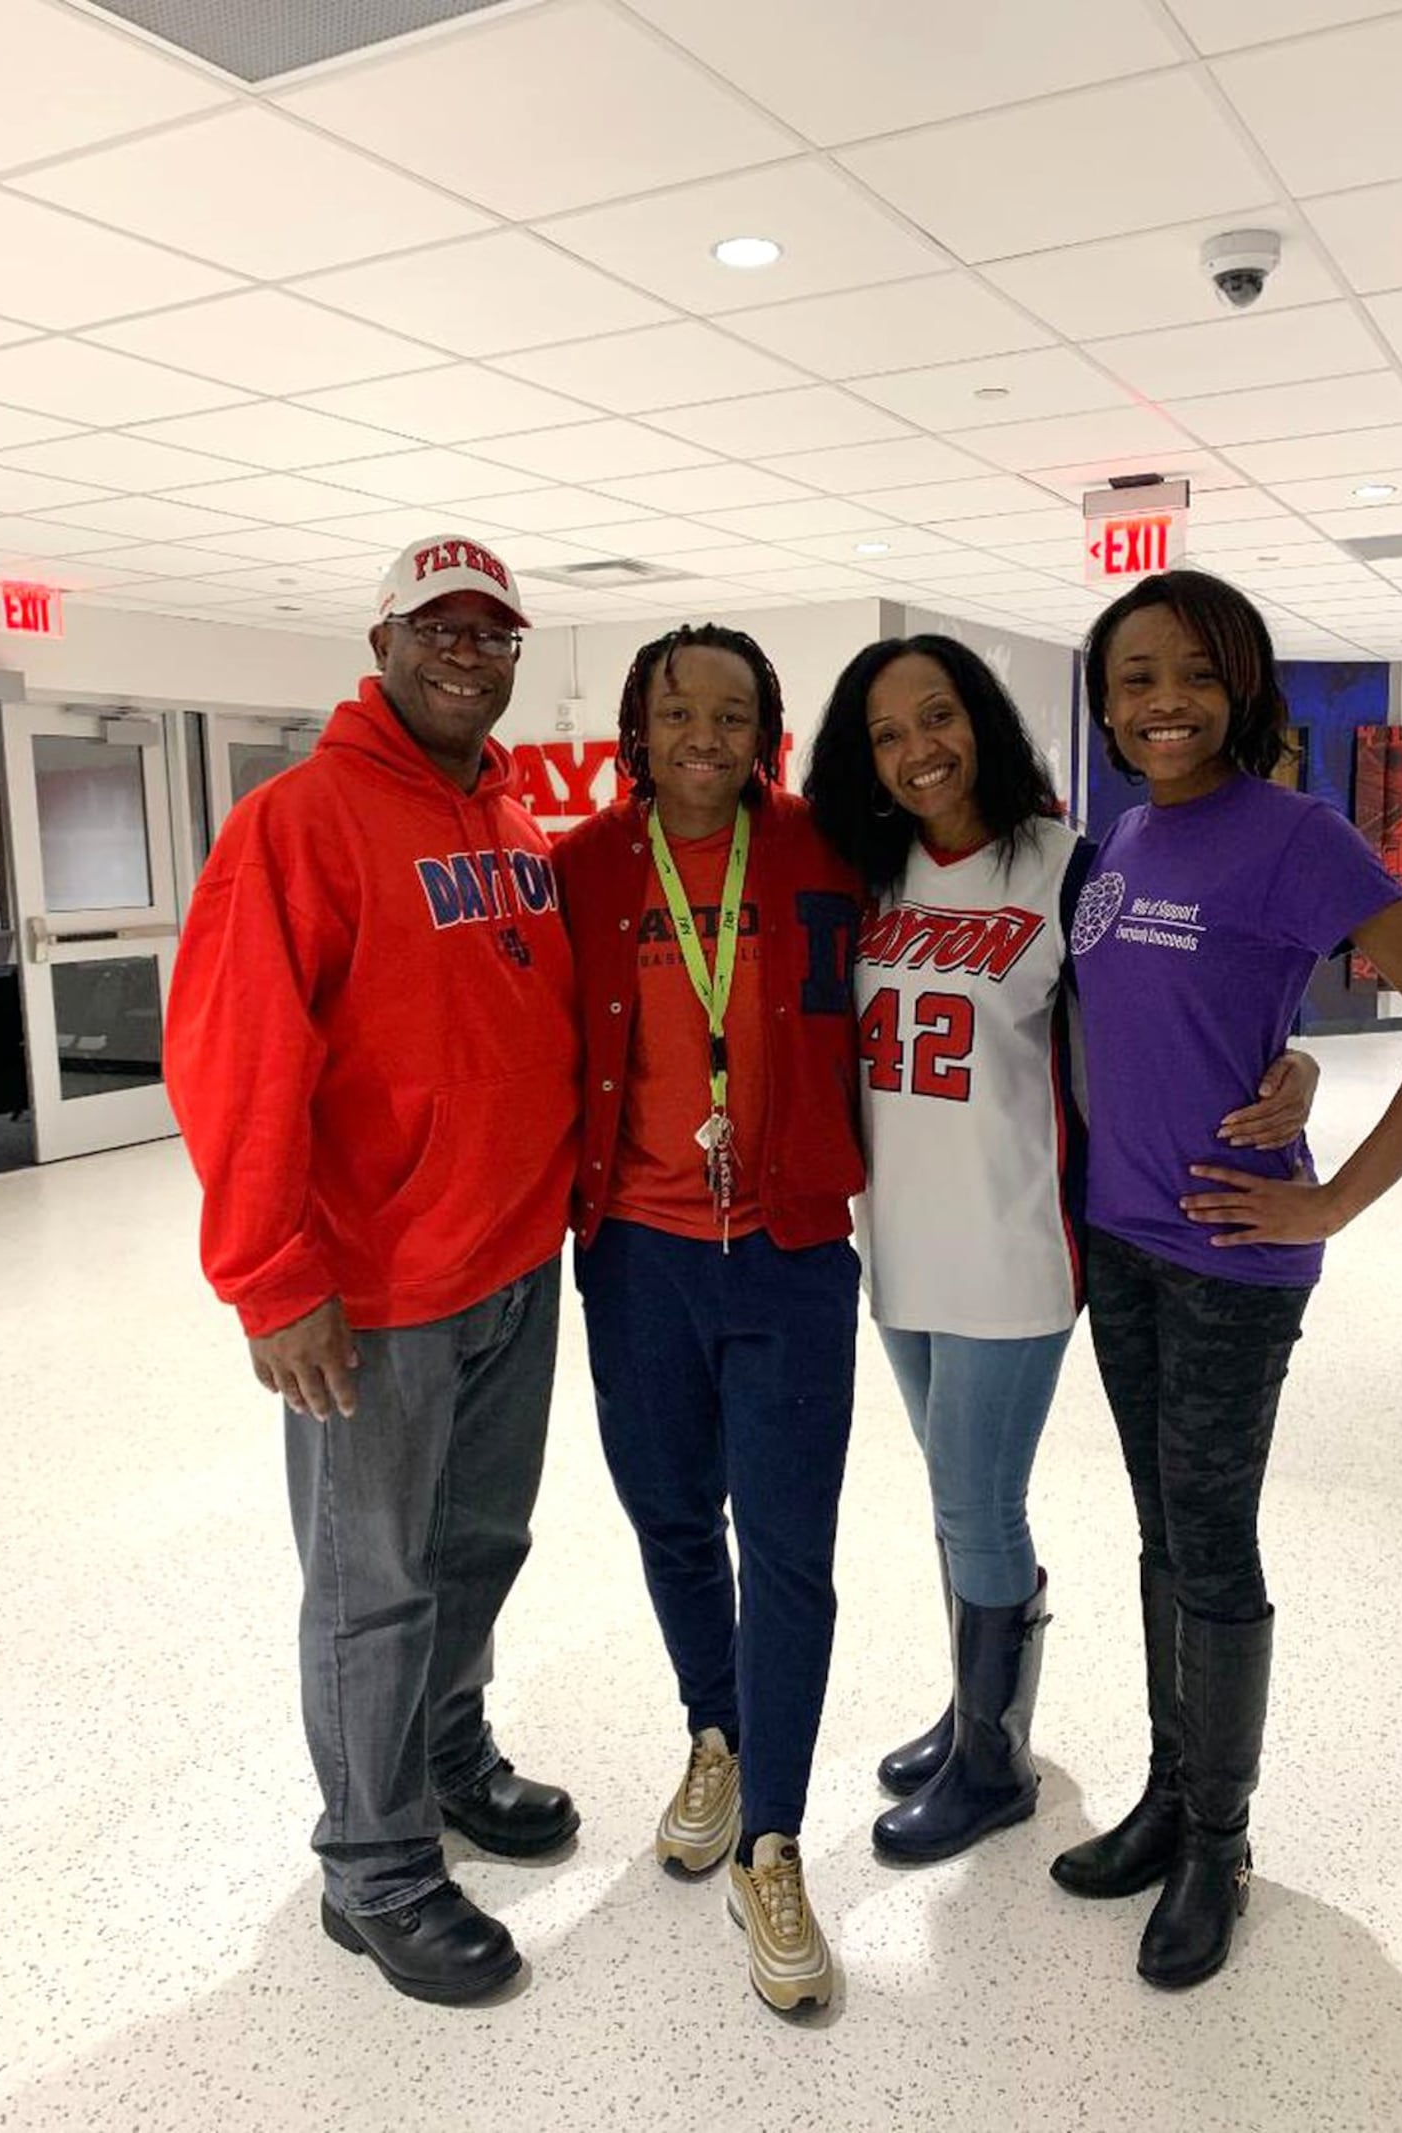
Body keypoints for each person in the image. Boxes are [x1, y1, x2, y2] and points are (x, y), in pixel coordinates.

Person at [1049, 568, 1402, 1989]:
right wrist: (1287, 1049)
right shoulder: (1125, 836)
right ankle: (1165, 1792)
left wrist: (1336, 1193)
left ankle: (1219, 1842)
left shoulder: (1296, 834)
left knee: (1214, 1536)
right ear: (1111, 710)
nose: (1165, 703)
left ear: (1241, 686)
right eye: (1136, 681)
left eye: (1193, 674)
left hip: (1230, 1255)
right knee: (1158, 1527)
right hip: (1122, 1235)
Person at [803, 636, 1316, 1865]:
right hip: (900, 1244)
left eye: (937, 717)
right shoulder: (866, 874)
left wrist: (1290, 1062)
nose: (919, 750)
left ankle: (995, 1766)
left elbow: (1159, 1013)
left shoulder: (1066, 867)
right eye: (886, 733)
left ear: (979, 721)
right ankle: (974, 1711)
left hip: (1015, 1240)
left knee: (978, 1503)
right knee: (953, 1502)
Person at [164, 534, 581, 2006]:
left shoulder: (514, 818)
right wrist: (273, 1276)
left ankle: (445, 1755)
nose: (468, 652)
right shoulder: (301, 822)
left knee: (477, 1551)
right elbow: (232, 1056)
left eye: (493, 633)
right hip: (380, 1298)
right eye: (441, 629)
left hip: (518, 1270)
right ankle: (377, 1864)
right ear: (386, 640)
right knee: (371, 1586)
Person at [556, 623, 864, 2015]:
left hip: (791, 1254)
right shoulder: (580, 869)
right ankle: (716, 1729)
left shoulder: (824, 849)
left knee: (789, 1554)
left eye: (734, 715)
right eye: (678, 710)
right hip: (639, 1256)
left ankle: (776, 1840)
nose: (704, 737)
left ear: (767, 732)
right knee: (674, 1517)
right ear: (638, 724)